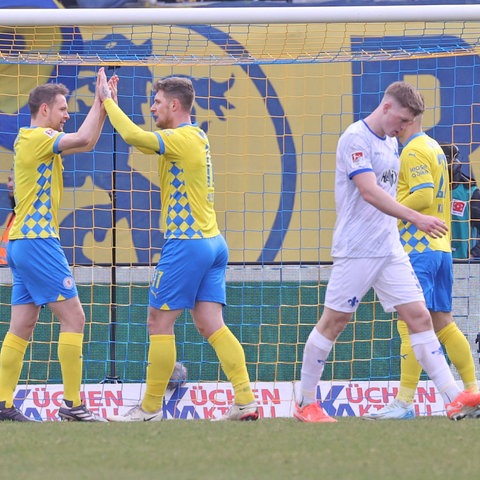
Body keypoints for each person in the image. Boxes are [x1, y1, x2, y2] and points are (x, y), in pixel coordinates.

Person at [294, 81, 480, 423]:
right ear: (387, 107)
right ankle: (306, 403)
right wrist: (415, 217)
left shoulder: (393, 142)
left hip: (389, 248)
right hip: (358, 247)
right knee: (334, 322)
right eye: (403, 118)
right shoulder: (355, 138)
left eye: (410, 121)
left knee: (420, 318)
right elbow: (367, 191)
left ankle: (454, 398)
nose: (404, 127)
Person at [97, 70, 258, 422]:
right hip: (212, 241)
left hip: (187, 244)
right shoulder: (196, 136)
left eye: (156, 103)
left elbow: (133, 137)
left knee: (158, 323)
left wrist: (107, 101)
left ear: (173, 104)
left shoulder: (182, 137)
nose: (152, 109)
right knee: (211, 324)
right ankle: (246, 400)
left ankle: (151, 408)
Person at [0, 68, 113, 422]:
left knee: (21, 326)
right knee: (75, 317)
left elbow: (88, 140)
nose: (67, 114)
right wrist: (100, 100)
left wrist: (102, 104)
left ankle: (2, 404)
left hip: (22, 241)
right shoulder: (39, 137)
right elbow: (82, 138)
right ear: (45, 110)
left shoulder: (33, 140)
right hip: (37, 240)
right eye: (62, 108)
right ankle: (72, 406)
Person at [365, 117, 479, 420]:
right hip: (440, 249)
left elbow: (424, 195)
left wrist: (387, 207)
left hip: (419, 249)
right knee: (443, 322)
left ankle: (404, 403)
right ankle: (472, 391)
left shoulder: (414, 150)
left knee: (410, 323)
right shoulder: (433, 147)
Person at [442, 144, 480, 259]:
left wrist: (474, 253)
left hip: (461, 261)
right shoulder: (425, 190)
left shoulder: (470, 192)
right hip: (432, 257)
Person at [0, 171, 15, 265]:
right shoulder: (14, 214)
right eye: (9, 180)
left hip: (11, 274)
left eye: (14, 181)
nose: (9, 185)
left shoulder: (28, 216)